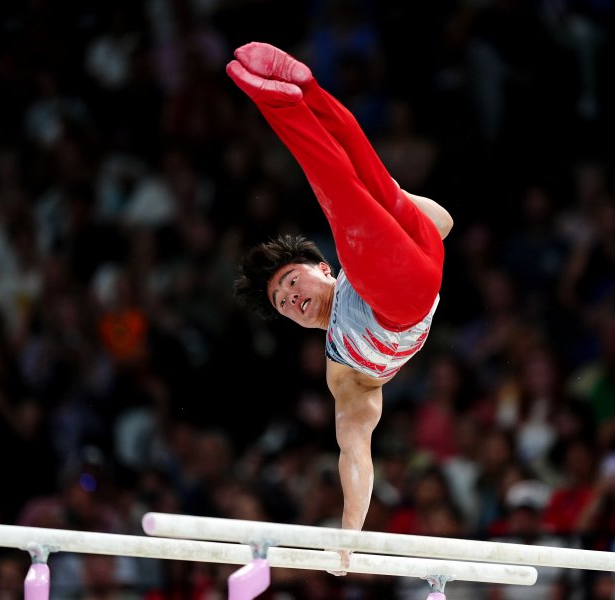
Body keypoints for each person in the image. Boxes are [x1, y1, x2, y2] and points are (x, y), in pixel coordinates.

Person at [227, 42, 452, 569]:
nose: (290, 298)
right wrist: (349, 537)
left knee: (356, 180)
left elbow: (441, 221)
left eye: (289, 282)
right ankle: (294, 94)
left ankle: (297, 91)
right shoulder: (343, 369)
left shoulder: (348, 261)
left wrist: (392, 203)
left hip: (410, 249)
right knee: (348, 185)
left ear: (321, 268)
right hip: (402, 296)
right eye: (282, 303)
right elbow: (355, 452)